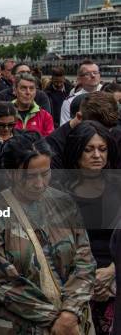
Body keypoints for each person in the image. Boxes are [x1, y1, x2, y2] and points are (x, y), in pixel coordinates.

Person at [0, 133, 96, 335]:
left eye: (45, 173)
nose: (40, 183)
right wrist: (57, 320)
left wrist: (70, 312)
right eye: (30, 176)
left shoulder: (63, 204)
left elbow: (85, 260)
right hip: (22, 326)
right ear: (10, 174)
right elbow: (3, 281)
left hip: (73, 323)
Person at [62, 121, 120, 334]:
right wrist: (88, 280)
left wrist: (112, 272)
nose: (97, 155)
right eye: (89, 149)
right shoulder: (61, 196)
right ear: (77, 152)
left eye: (102, 149)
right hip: (74, 286)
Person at [61, 60, 103, 125]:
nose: (93, 76)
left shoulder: (109, 97)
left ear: (99, 76)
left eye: (95, 72)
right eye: (87, 74)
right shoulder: (69, 102)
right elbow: (65, 129)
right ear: (79, 79)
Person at [12, 73, 54, 137]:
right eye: (23, 88)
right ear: (15, 91)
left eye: (31, 88)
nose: (28, 92)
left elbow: (49, 142)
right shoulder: (6, 113)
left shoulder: (45, 116)